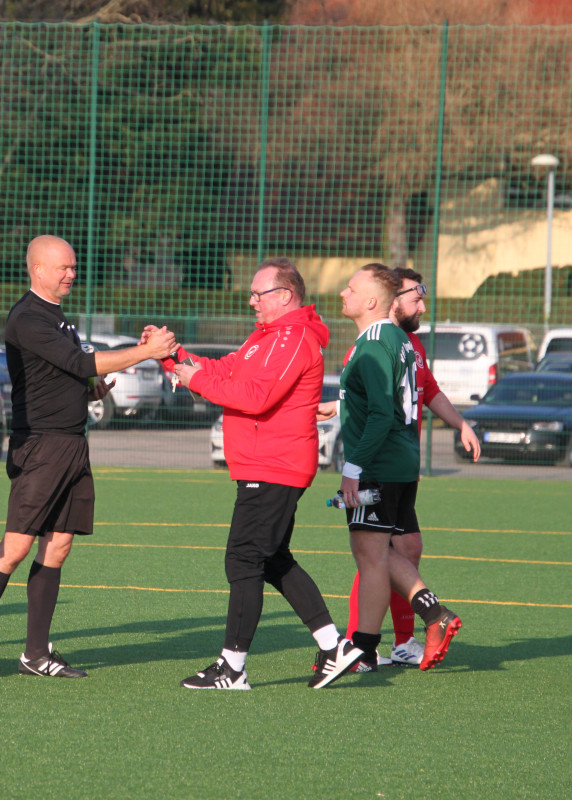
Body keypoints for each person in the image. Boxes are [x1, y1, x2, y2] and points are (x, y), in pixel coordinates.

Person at [0, 235, 177, 679]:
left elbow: (69, 372)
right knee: (14, 549)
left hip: (72, 443)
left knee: (59, 546)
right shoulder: (27, 317)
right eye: (63, 267)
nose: (71, 273)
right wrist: (146, 352)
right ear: (37, 269)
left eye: (73, 266)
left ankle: (35, 653)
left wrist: (90, 390)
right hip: (42, 445)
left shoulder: (56, 316)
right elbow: (80, 363)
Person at [171, 257, 362, 690]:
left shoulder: (294, 337)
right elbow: (225, 370)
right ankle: (334, 647)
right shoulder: (267, 337)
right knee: (272, 558)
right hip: (265, 461)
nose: (252, 301)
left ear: (285, 296)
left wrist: (193, 379)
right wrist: (174, 356)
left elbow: (256, 398)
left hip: (275, 463)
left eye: (259, 294)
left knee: (243, 558)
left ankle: (232, 667)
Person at [321, 267, 480, 668]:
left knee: (374, 549)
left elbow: (387, 406)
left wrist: (352, 465)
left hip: (384, 460)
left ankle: (367, 645)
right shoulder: (393, 342)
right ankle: (381, 639)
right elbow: (379, 399)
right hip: (398, 459)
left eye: (351, 288)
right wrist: (342, 406)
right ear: (392, 300)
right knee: (383, 549)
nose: (420, 306)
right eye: (415, 298)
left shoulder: (384, 342)